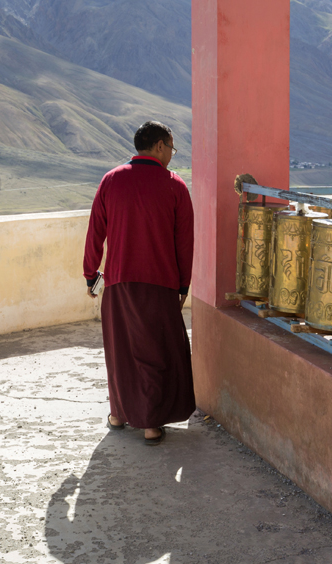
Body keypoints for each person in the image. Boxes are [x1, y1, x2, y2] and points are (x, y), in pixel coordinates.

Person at [82, 120, 195, 445]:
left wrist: (91, 274)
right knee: (157, 351)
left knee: (121, 351)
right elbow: (184, 242)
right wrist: (183, 285)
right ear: (159, 146)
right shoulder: (174, 186)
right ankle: (151, 424)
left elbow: (95, 231)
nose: (171, 154)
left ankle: (119, 414)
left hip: (118, 283)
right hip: (160, 283)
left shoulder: (111, 180)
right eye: (172, 148)